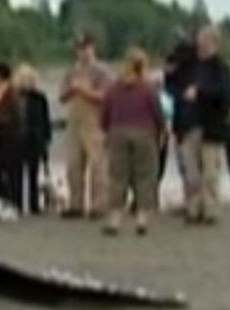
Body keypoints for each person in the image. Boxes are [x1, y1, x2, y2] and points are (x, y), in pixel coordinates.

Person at [101, 47, 166, 236]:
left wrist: (107, 130)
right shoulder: (147, 88)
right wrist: (162, 132)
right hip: (144, 133)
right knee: (145, 177)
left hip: (118, 132)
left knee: (117, 177)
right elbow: (158, 113)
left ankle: (114, 219)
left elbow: (105, 112)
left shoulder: (113, 88)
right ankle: (141, 219)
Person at [177, 26, 230, 225]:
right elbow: (175, 83)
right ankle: (192, 208)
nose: (199, 43)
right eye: (199, 39)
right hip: (189, 125)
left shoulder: (221, 67)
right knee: (191, 172)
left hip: (211, 127)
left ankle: (210, 209)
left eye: (203, 39)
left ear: (213, 42)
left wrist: (200, 91)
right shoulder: (189, 66)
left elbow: (226, 93)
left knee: (210, 172)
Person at [58, 33, 111, 219]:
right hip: (74, 121)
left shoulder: (102, 71)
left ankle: (99, 204)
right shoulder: (71, 71)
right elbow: (62, 97)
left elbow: (106, 96)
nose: (83, 52)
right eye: (79, 48)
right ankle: (76, 203)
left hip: (95, 122)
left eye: (86, 48)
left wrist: (84, 90)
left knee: (98, 164)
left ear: (93, 48)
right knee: (73, 164)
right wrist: (71, 89)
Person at [0, 62, 26, 218]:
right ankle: (1, 200)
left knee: (12, 171)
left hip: (14, 136)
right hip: (2, 136)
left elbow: (16, 115)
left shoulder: (12, 93)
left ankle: (14, 204)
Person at [16, 64, 52, 214]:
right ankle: (17, 202)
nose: (28, 82)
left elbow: (45, 118)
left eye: (31, 79)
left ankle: (34, 204)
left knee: (34, 172)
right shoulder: (14, 96)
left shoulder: (40, 97)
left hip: (35, 137)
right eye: (25, 79)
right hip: (17, 137)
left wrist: (46, 137)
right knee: (17, 172)